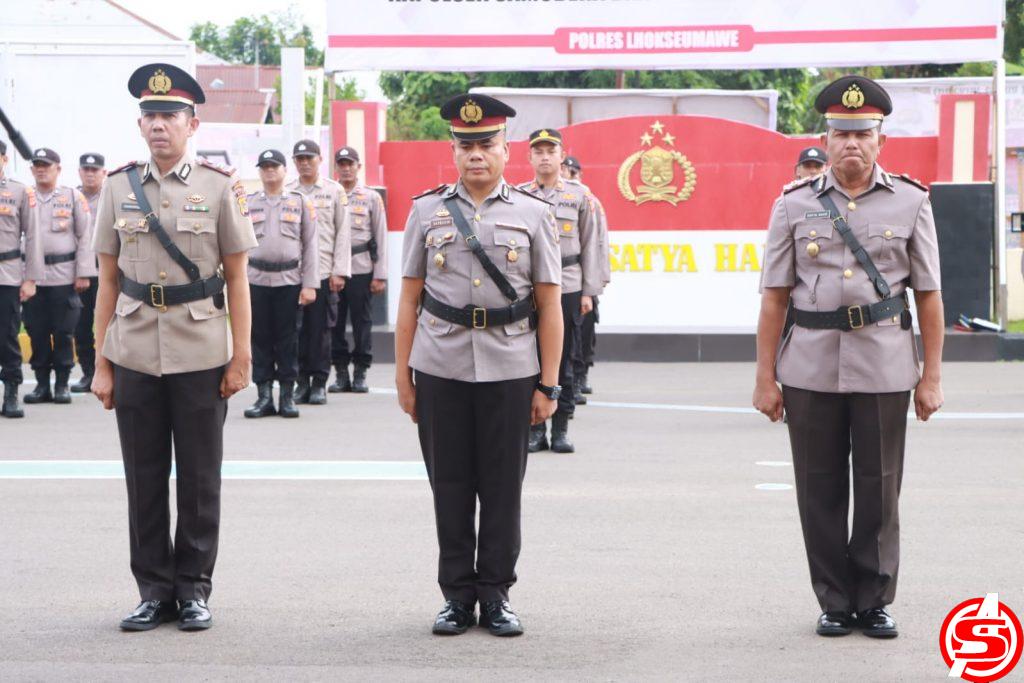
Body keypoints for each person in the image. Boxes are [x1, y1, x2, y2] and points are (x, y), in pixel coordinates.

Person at [753, 75, 944, 639]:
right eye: (841, 133)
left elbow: (929, 297)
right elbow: (773, 298)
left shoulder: (911, 201)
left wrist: (930, 377)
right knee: (819, 487)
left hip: (885, 362)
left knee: (881, 487)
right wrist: (765, 377)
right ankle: (834, 599)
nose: (851, 144)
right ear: (826, 138)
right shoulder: (792, 205)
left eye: (863, 133)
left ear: (881, 138)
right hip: (809, 364)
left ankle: (875, 598)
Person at [90, 63, 257, 631]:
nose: (159, 125)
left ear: (193, 124)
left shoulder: (216, 187)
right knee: (143, 475)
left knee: (199, 477)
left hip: (202, 349)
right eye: (151, 116)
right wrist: (101, 364)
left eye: (170, 116)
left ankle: (192, 588)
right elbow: (107, 283)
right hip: (134, 347)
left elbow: (237, 278)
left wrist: (241, 355)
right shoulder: (118, 186)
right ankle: (153, 590)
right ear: (141, 125)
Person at [395, 94, 562, 637]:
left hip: (511, 366)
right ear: (452, 149)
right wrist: (403, 375)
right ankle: (455, 596)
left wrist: (550, 383)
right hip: (440, 365)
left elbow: (550, 306)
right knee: (449, 485)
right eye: (465, 145)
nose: (475, 155)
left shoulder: (535, 214)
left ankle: (495, 595)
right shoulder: (426, 211)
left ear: (505, 149)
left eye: (486, 144)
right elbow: (409, 299)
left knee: (501, 487)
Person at [518, 129, 602, 453]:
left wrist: (588, 293)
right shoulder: (519, 196)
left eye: (550, 151)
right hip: (530, 286)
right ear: (529, 157)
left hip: (568, 283)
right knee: (532, 360)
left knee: (564, 359)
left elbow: (590, 245)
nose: (544, 156)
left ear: (561, 155)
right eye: (537, 151)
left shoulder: (580, 196)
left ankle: (562, 427)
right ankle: (535, 428)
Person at [243, 149, 318, 419]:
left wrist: (309, 284)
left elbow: (311, 245)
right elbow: (237, 246)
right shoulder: (247, 202)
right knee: (259, 339)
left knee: (288, 340)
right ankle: (264, 396)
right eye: (264, 167)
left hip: (289, 281)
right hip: (256, 280)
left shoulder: (300, 202)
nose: (270, 171)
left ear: (285, 171)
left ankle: (287, 395)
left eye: (275, 166)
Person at [22, 148, 95, 405]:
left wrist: (84, 272)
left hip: (64, 276)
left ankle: (62, 384)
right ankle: (42, 385)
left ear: (58, 168)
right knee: (37, 331)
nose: (41, 169)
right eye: (37, 165)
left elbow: (85, 236)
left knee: (64, 333)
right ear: (32, 169)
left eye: (46, 165)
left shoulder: (72, 196)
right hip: (32, 277)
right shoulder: (25, 196)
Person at [286, 140, 351, 404]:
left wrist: (339, 271)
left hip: (324, 272)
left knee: (321, 330)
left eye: (309, 158)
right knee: (295, 331)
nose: (304, 163)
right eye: (299, 158)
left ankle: (320, 381)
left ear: (320, 160)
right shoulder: (287, 190)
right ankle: (301, 381)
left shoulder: (334, 191)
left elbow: (343, 233)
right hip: (293, 274)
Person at [329, 146, 387, 394]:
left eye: (350, 163)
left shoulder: (371, 197)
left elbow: (380, 235)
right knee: (335, 322)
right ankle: (341, 372)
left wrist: (380, 274)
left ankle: (361, 372)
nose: (346, 168)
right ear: (336, 168)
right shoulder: (330, 194)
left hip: (362, 267)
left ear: (358, 167)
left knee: (362, 322)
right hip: (334, 269)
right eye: (341, 164)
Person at [0, 140, 43, 418]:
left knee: (6, 336)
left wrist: (31, 278)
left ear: (4, 160)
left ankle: (12, 392)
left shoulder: (19, 191)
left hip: (7, 273)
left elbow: (33, 237)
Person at [561, 156, 610, 399]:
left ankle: (580, 376)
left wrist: (599, 278)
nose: (570, 175)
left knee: (585, 330)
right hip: (562, 279)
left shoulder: (589, 200)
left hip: (583, 277)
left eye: (573, 171)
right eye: (566, 170)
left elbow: (598, 242)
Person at [71, 152, 107, 393]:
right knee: (81, 325)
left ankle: (112, 371)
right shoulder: (71, 198)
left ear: (104, 173)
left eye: (95, 170)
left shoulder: (111, 196)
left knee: (111, 325)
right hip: (81, 271)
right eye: (86, 169)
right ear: (80, 172)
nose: (90, 174)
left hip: (109, 271)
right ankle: (88, 373)